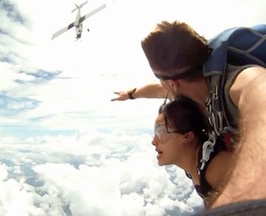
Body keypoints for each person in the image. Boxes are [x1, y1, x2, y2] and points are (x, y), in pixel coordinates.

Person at [111, 20, 266, 212]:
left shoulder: (239, 81)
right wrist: (132, 94)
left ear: (173, 84)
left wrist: (242, 203)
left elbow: (261, 93)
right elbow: (156, 90)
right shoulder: (189, 91)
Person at [153, 96, 232, 207]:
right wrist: (131, 95)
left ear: (187, 137)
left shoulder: (216, 169)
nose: (154, 141)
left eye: (160, 131)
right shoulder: (197, 168)